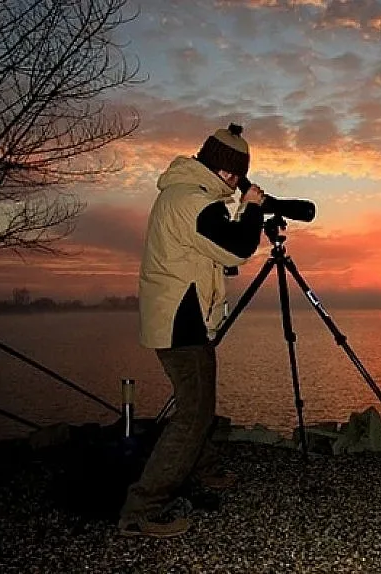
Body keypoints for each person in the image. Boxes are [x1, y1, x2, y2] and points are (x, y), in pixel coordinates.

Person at [118, 123, 265, 538]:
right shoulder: (194, 202)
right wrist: (252, 208)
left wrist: (243, 213)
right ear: (225, 170)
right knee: (194, 413)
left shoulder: (184, 194)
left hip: (181, 318)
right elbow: (236, 246)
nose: (238, 183)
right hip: (180, 323)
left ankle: (202, 469)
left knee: (198, 403)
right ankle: (141, 508)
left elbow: (214, 251)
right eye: (235, 175)